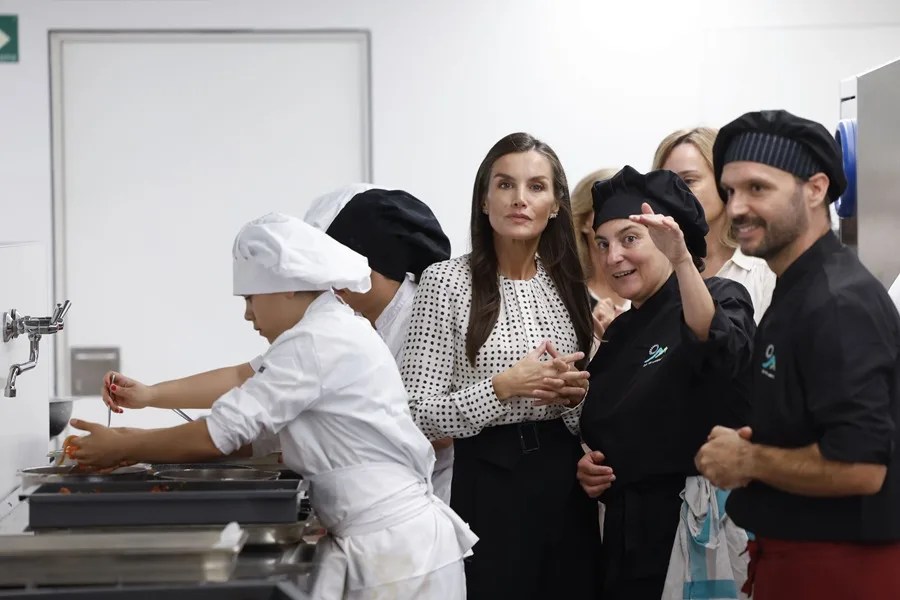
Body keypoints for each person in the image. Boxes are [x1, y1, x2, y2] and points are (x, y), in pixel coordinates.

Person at [70, 212, 477, 599]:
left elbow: (221, 433)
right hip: (390, 543)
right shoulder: (326, 327)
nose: (247, 314)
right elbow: (244, 397)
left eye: (250, 298)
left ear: (288, 285)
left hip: (396, 550)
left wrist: (125, 445)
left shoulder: (316, 341)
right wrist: (150, 399)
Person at [695, 109, 900, 600]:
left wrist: (749, 459)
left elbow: (862, 468)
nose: (737, 207)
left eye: (757, 188)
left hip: (842, 570)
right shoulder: (796, 288)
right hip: (795, 559)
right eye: (729, 191)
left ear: (815, 189)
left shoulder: (837, 300)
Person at [400, 132, 600, 599]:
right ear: (484, 200)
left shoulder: (568, 283)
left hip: (564, 479)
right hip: (487, 478)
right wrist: (501, 388)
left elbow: (575, 413)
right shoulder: (446, 282)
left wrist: (574, 397)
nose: (520, 199)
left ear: (555, 204)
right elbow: (413, 412)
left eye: (536, 187)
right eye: (505, 185)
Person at [576, 166, 756, 599]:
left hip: (694, 532)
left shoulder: (721, 296)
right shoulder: (619, 334)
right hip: (625, 541)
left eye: (629, 238)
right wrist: (587, 470)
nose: (613, 256)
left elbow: (710, 341)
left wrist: (680, 261)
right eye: (603, 243)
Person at [653, 127, 775, 323]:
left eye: (689, 180)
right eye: (667, 184)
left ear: (725, 181)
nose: (675, 193)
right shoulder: (654, 268)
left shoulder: (764, 268)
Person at [571, 168, 629, 342]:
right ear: (583, 221)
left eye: (626, 206)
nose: (618, 215)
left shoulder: (651, 288)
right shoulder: (567, 297)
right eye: (606, 205)